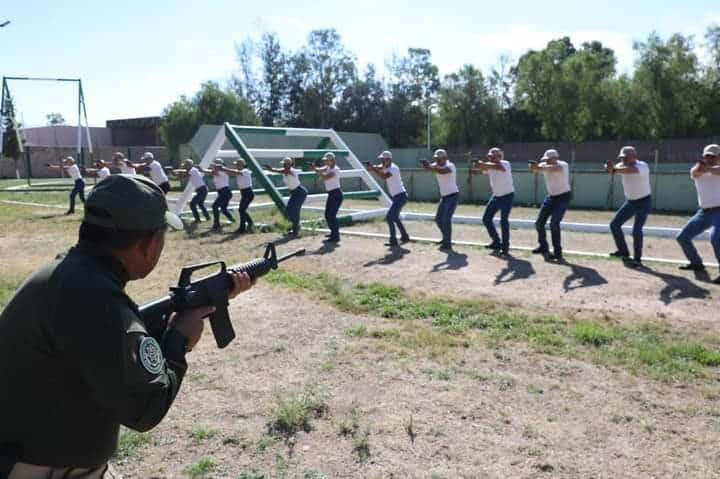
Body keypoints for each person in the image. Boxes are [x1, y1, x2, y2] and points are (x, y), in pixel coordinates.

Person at [0, 174, 253, 478]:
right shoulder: (96, 298)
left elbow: (102, 350)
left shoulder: (70, 274)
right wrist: (179, 341)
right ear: (148, 243)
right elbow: (146, 407)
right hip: (43, 469)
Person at [676, 144, 720, 283]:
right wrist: (701, 167)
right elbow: (695, 173)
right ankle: (696, 263)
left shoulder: (715, 169)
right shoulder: (696, 169)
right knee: (682, 237)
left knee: (716, 238)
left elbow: (717, 170)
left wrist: (706, 167)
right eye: (707, 156)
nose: (710, 158)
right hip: (704, 212)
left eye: (713, 156)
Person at [605, 146, 652, 268]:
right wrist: (609, 168)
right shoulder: (621, 166)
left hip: (644, 201)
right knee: (614, 225)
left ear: (634, 157)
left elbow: (631, 170)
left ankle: (637, 259)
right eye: (621, 158)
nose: (623, 160)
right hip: (630, 202)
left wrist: (614, 170)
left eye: (625, 158)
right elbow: (613, 170)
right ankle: (623, 251)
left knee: (636, 230)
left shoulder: (643, 166)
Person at [529, 149, 571, 261]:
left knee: (554, 224)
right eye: (545, 160)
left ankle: (558, 253)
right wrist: (533, 167)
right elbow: (535, 170)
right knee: (539, 223)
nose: (546, 161)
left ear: (555, 158)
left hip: (563, 197)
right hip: (551, 197)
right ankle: (543, 247)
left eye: (548, 159)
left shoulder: (563, 164)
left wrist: (539, 167)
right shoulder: (544, 165)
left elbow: (555, 168)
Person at [471, 147, 514, 255]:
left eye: (492, 156)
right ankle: (496, 241)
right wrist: (477, 166)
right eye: (490, 156)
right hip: (496, 196)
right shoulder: (490, 165)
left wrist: (482, 164)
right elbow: (481, 170)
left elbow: (497, 166)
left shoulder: (505, 163)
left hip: (507, 196)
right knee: (486, 219)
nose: (490, 158)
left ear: (499, 156)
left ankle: (505, 247)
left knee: (503, 221)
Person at [367, 150, 410, 247]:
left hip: (400, 196)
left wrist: (373, 169)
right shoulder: (387, 166)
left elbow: (384, 176)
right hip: (398, 197)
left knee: (390, 218)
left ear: (389, 160)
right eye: (381, 160)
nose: (381, 161)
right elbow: (379, 167)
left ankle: (393, 240)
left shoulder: (393, 168)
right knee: (395, 217)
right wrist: (372, 167)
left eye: (383, 160)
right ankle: (405, 236)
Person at [422, 148, 459, 250]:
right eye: (436, 159)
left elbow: (443, 171)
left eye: (439, 159)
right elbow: (429, 168)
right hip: (444, 197)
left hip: (452, 195)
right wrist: (426, 166)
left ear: (445, 158)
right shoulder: (436, 165)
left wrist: (430, 167)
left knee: (446, 220)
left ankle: (447, 243)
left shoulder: (450, 165)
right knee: (438, 219)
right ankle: (446, 238)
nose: (437, 160)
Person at [265, 157, 307, 237]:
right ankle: (294, 229)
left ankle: (295, 229)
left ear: (290, 164)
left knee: (293, 211)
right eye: (284, 164)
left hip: (299, 192)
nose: (284, 165)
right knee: (291, 211)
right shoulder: (285, 171)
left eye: (286, 163)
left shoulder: (291, 170)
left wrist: (272, 169)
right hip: (295, 193)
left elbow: (285, 171)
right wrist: (271, 169)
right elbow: (282, 171)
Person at [312, 152, 344, 243]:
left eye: (327, 160)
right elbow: (320, 169)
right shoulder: (328, 167)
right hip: (332, 194)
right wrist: (315, 168)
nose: (325, 162)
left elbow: (325, 177)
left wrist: (317, 171)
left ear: (333, 160)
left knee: (331, 215)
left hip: (336, 194)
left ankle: (335, 236)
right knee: (328, 215)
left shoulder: (336, 170)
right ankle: (333, 233)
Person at [222, 159, 254, 234]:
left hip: (248, 193)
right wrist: (221, 169)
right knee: (241, 210)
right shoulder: (240, 171)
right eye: (236, 165)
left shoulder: (245, 171)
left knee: (241, 210)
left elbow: (236, 172)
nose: (236, 166)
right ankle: (249, 223)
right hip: (244, 193)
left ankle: (242, 228)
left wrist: (223, 168)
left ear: (242, 165)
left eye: (237, 164)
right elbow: (231, 172)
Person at [202, 159, 235, 230]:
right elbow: (212, 172)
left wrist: (202, 170)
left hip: (225, 192)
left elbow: (212, 172)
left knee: (215, 206)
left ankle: (216, 224)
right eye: (215, 164)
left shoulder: (222, 171)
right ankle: (232, 220)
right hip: (223, 192)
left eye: (217, 164)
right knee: (223, 209)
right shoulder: (218, 171)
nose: (215, 165)